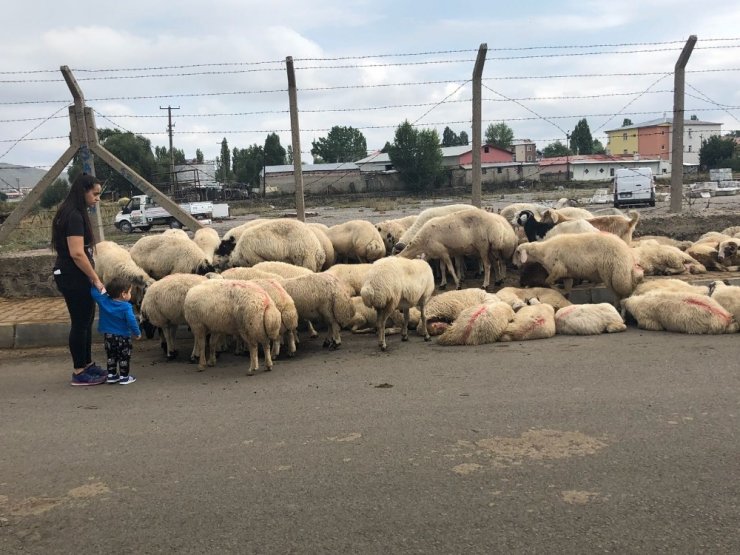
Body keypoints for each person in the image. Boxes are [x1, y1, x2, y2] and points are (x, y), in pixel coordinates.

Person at [51, 173, 107, 386]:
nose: (97, 198)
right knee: (80, 322)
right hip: (73, 275)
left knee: (85, 321)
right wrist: (95, 279)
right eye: (95, 194)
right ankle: (79, 370)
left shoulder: (68, 212)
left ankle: (87, 363)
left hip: (73, 274)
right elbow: (77, 253)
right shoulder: (74, 215)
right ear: (82, 191)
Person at [91, 277, 142, 385]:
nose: (130, 294)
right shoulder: (126, 307)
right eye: (129, 292)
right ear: (123, 294)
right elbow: (131, 321)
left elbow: (94, 293)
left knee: (111, 356)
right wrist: (137, 332)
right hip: (123, 337)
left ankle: (112, 375)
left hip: (108, 336)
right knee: (124, 356)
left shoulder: (104, 300)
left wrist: (96, 283)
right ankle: (124, 377)